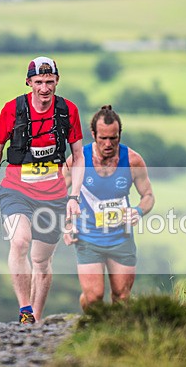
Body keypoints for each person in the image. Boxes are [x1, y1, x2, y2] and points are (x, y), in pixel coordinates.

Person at [0, 56, 85, 325]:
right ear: (29, 82)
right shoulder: (12, 110)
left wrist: (74, 196)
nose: (45, 88)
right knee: (19, 241)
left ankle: (36, 317)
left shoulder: (68, 111)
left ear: (57, 81)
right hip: (16, 190)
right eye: (39, 82)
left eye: (50, 82)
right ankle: (25, 310)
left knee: (41, 260)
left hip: (54, 195)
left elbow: (79, 156)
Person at [63, 105, 154, 310]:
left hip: (121, 238)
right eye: (102, 138)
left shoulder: (133, 160)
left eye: (113, 138)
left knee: (121, 297)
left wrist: (138, 211)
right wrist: (67, 223)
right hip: (88, 237)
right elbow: (58, 194)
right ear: (93, 134)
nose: (108, 144)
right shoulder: (79, 160)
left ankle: (114, 337)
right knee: (94, 298)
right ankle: (88, 313)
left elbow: (148, 196)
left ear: (119, 134)